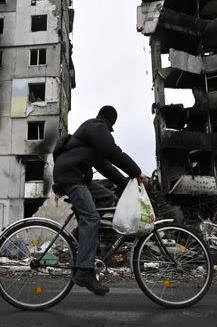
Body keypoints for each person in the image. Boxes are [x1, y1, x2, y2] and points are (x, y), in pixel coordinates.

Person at [52, 105, 149, 295]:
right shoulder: (96, 127)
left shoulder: (91, 141)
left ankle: (82, 237)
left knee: (107, 198)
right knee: (92, 218)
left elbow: (105, 167)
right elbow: (113, 152)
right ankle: (85, 272)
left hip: (77, 176)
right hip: (72, 176)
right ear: (110, 121)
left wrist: (127, 184)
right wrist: (136, 172)